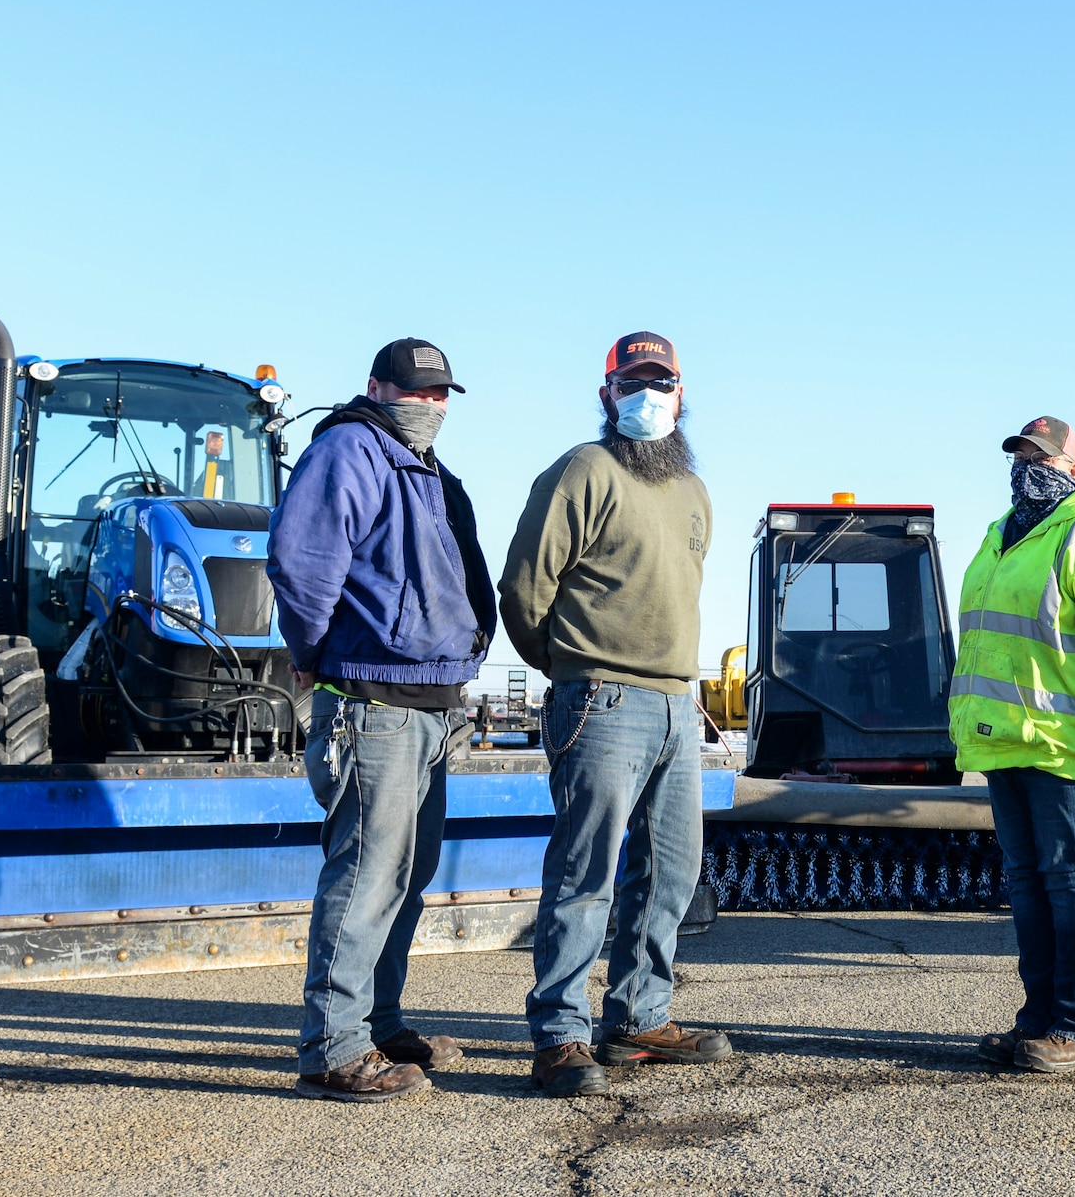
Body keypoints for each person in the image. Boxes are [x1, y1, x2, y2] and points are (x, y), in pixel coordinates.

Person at [499, 331, 731, 1098]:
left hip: (675, 703)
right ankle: (560, 1035)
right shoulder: (583, 471)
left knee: (671, 870)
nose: (649, 393)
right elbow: (524, 590)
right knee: (585, 871)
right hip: (600, 697)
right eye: (633, 380)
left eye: (661, 380)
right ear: (607, 394)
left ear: (681, 392)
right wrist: (569, 666)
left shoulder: (693, 490)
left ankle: (637, 1016)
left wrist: (681, 694)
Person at [268, 338, 498, 1103]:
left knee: (406, 876)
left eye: (440, 395)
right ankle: (333, 1046)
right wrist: (314, 655)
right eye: (416, 392)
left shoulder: (428, 472)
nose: (429, 406)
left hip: (431, 705)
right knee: (367, 874)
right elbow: (302, 566)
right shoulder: (349, 450)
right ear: (377, 386)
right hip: (372, 703)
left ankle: (378, 1021)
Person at [949, 416, 1075, 1074]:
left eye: (1039, 455)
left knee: (1069, 883)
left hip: (1065, 748)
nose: (1024, 466)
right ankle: (1038, 1020)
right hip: (1006, 745)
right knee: (1029, 886)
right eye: (1018, 454)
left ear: (1072, 466)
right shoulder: (1000, 535)